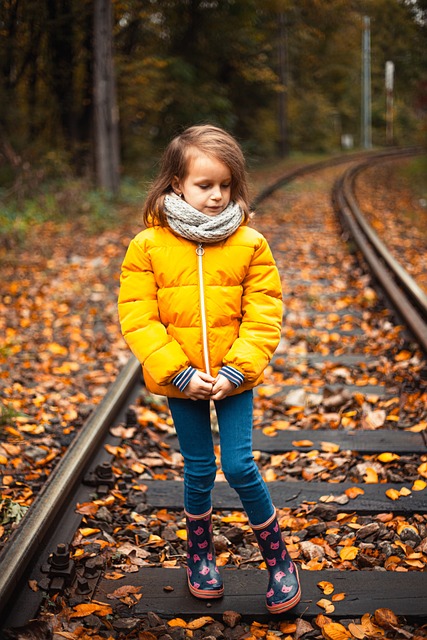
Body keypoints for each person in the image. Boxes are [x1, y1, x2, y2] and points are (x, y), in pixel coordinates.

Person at [118, 124, 301, 614]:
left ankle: (278, 559)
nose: (218, 196)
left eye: (226, 185)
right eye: (205, 185)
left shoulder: (251, 243)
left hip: (233, 378)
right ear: (177, 182)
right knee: (199, 468)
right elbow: (138, 316)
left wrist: (237, 370)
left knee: (240, 465)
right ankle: (200, 554)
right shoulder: (148, 245)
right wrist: (178, 372)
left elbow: (265, 313)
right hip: (183, 381)